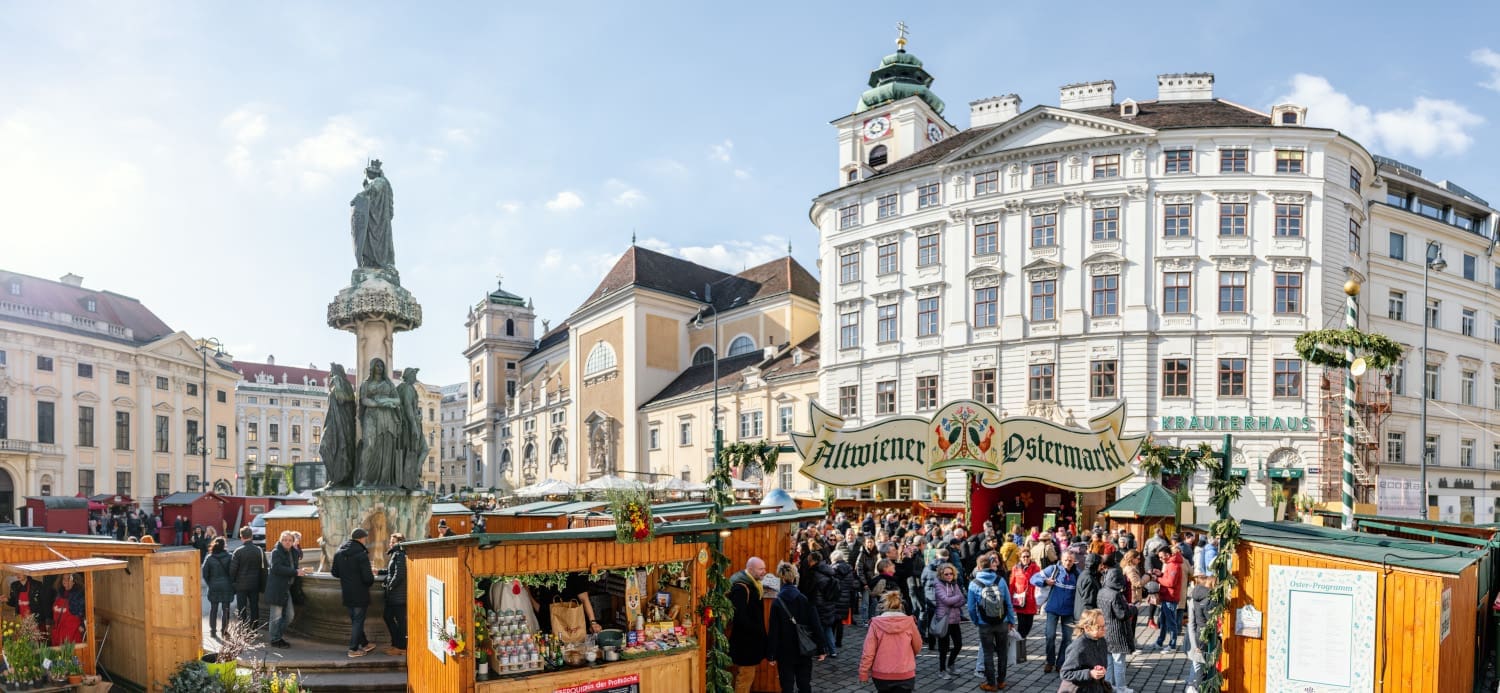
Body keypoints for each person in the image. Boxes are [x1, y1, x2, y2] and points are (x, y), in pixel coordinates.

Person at [766, 562, 827, 693]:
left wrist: (771, 654)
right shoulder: (805, 599)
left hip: (784, 651)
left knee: (786, 685)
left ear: (781, 578)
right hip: (804, 648)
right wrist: (821, 648)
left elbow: (773, 631)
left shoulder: (777, 602)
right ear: (794, 578)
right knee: (804, 684)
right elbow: (816, 625)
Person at [967, 554, 1017, 691]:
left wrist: (976, 621)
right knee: (1002, 652)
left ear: (978, 567)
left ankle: (991, 683)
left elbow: (971, 607)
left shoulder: (974, 584)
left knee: (988, 654)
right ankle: (1001, 681)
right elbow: (1008, 602)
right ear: (990, 566)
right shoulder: (1000, 580)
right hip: (1002, 622)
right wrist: (1011, 620)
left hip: (984, 624)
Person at [858, 590, 922, 692]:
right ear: (900, 605)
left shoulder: (875, 623)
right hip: (904, 673)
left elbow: (868, 652)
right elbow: (918, 646)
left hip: (882, 675)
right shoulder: (910, 622)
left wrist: (863, 672)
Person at [1031, 549, 1079, 674]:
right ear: (1061, 560)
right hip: (1053, 609)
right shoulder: (1053, 569)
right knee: (1050, 635)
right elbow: (1033, 578)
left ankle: (1061, 663)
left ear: (1074, 561)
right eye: (1066, 560)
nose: (1068, 562)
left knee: (1067, 638)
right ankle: (1049, 661)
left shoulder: (1077, 574)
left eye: (1070, 560)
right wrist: (1045, 581)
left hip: (1069, 611)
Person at [331, 528, 377, 658]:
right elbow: (368, 578)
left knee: (356, 620)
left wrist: (347, 576)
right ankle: (353, 649)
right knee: (358, 621)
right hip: (360, 593)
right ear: (362, 538)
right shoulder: (361, 554)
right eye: (365, 538)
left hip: (347, 591)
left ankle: (365, 644)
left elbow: (334, 573)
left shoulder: (339, 553)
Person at [1096, 553, 1136, 693]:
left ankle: (1108, 685)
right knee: (1119, 662)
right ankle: (1121, 687)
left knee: (1109, 661)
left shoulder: (1102, 591)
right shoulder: (1116, 595)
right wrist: (1133, 609)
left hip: (1105, 630)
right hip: (1117, 632)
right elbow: (1122, 614)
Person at [728, 557, 768, 693]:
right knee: (745, 677)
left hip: (748, 642)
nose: (764, 572)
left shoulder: (753, 584)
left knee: (745, 676)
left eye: (764, 568)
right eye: (761, 569)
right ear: (750, 570)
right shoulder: (741, 588)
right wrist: (756, 631)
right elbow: (739, 617)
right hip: (745, 643)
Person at [265, 530, 307, 648]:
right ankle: (275, 639)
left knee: (290, 615)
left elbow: (294, 566)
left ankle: (278, 636)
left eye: (289, 540)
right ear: (280, 541)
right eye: (284, 540)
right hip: (277, 588)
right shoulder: (276, 552)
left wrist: (300, 571)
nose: (287, 542)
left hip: (287, 588)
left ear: (293, 542)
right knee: (276, 616)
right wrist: (295, 572)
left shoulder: (294, 552)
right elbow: (277, 568)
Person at [1057, 609, 1112, 693]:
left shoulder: (1101, 640)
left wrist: (1099, 669)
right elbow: (1065, 673)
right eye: (1099, 627)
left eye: (1104, 625)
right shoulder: (1079, 646)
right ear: (1087, 628)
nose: (1104, 629)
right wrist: (1089, 673)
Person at [929, 563, 967, 680]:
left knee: (958, 645)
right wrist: (957, 599)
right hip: (944, 620)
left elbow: (963, 600)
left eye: (951, 573)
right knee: (943, 648)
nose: (949, 576)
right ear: (941, 574)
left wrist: (954, 600)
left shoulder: (954, 584)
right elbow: (946, 600)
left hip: (955, 619)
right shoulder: (938, 585)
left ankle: (951, 664)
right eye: (946, 574)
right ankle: (942, 670)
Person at [801, 551, 841, 657]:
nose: (808, 563)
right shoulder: (828, 569)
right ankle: (832, 651)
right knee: (827, 627)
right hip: (829, 603)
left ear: (813, 561)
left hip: (819, 605)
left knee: (819, 629)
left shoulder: (814, 573)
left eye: (809, 561)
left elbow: (808, 590)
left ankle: (821, 650)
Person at [1186, 573, 1218, 689]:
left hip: (1198, 634)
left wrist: (1194, 644)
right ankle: (1195, 687)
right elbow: (1210, 620)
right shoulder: (1210, 600)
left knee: (1198, 665)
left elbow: (1192, 623)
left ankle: (1192, 685)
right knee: (1202, 668)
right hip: (1204, 636)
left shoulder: (1195, 598)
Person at [230, 526, 266, 627]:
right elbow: (264, 570)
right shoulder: (259, 550)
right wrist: (263, 586)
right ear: (252, 536)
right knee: (254, 607)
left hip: (240, 585)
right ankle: (254, 628)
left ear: (241, 537)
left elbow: (233, 570)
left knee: (242, 608)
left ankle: (243, 628)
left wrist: (233, 585)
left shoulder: (237, 551)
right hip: (255, 584)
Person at [201, 536, 235, 639]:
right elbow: (233, 571)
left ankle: (212, 631)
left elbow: (205, 573)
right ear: (224, 545)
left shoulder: (210, 558)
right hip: (226, 586)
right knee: (226, 610)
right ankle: (224, 631)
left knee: (213, 609)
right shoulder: (229, 557)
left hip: (214, 586)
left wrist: (210, 583)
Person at [1152, 545, 1184, 651]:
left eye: (1161, 557)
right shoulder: (1170, 564)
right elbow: (1168, 578)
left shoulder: (1173, 565)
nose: (1160, 559)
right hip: (1167, 596)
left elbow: (1170, 583)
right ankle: (1160, 642)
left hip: (1171, 597)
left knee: (1171, 622)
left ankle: (1172, 644)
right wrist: (1160, 574)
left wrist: (1157, 579)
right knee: (1163, 621)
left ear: (1168, 555)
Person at [382, 533, 409, 655]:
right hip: (395, 595)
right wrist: (380, 571)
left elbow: (400, 574)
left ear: (399, 542)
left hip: (398, 595)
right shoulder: (396, 553)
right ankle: (396, 644)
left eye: (393, 542)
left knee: (399, 621)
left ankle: (402, 647)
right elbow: (392, 571)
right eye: (390, 542)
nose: (390, 544)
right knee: (389, 617)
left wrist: (390, 586)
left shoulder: (400, 554)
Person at [1009, 546, 1042, 639]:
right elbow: (1012, 584)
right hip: (1019, 600)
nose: (1026, 558)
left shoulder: (1036, 568)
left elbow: (1038, 582)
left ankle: (1020, 640)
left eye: (1027, 556)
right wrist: (1010, 598)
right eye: (1023, 556)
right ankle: (1019, 644)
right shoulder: (1015, 568)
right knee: (1021, 624)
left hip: (1031, 600)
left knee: (1029, 625)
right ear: (1020, 557)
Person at [829, 550, 858, 651]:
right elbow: (851, 584)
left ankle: (831, 641)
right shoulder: (849, 569)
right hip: (846, 597)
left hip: (835, 597)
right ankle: (839, 642)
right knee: (840, 621)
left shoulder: (833, 569)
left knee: (832, 621)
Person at [49, 573, 85, 645]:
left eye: (68, 579)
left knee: (71, 653)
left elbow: (84, 611)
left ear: (74, 581)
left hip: (72, 631)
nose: (65, 581)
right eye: (64, 579)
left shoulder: (79, 594)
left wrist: (82, 625)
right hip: (59, 630)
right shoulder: (59, 593)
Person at [1074, 553, 1102, 622]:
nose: (1101, 566)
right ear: (1095, 564)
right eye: (1100, 564)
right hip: (1086, 617)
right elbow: (1088, 602)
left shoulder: (1084, 574)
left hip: (1082, 614)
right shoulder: (1089, 579)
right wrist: (1091, 619)